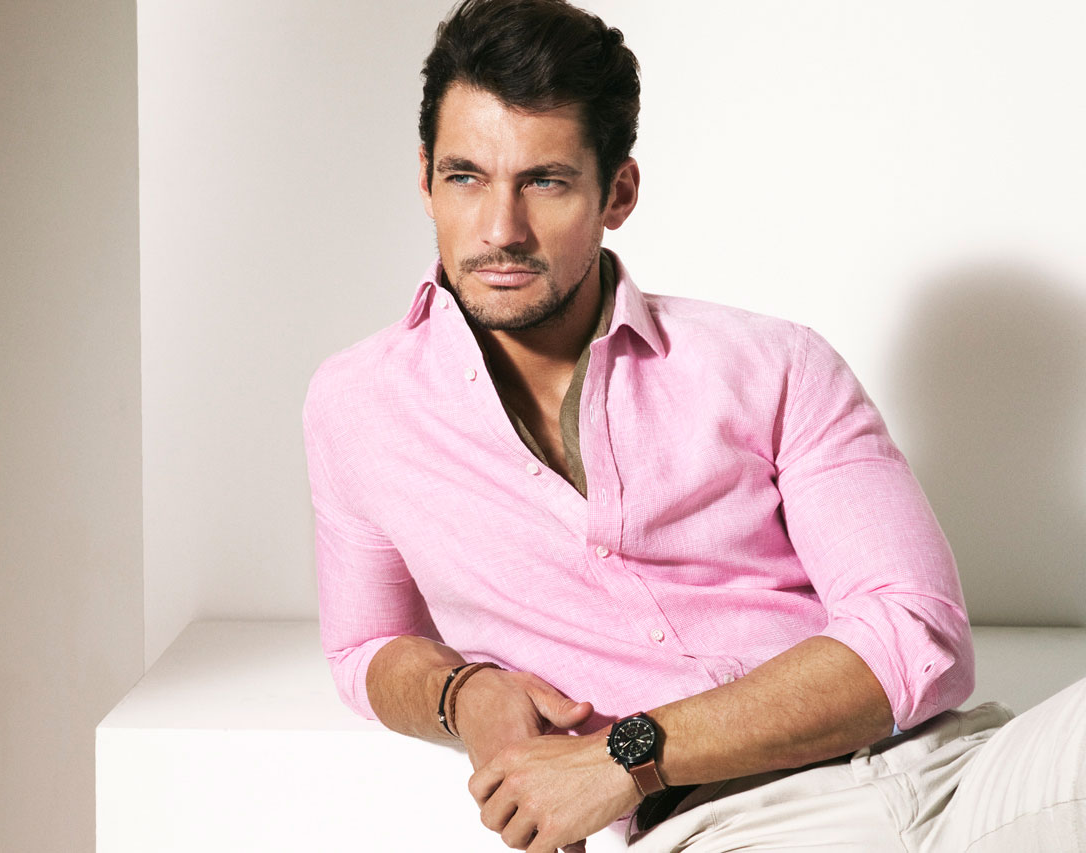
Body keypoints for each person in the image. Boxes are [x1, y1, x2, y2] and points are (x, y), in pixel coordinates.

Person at [302, 1, 1085, 850]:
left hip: (963, 776)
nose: (501, 229)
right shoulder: (358, 405)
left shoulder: (775, 364)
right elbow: (368, 643)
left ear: (618, 193)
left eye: (545, 181)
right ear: (425, 179)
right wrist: (466, 694)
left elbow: (914, 631)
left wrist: (624, 754)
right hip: (727, 827)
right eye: (466, 177)